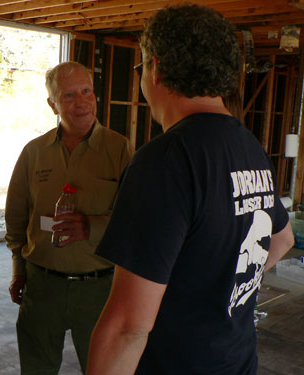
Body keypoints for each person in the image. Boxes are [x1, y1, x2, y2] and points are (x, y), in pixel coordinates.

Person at [87, 4, 295, 375]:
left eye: (141, 66)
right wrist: (231, 284)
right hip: (236, 359)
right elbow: (282, 239)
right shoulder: (249, 147)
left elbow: (127, 328)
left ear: (156, 68)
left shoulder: (165, 161)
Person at [5, 61, 133, 374]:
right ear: (53, 104)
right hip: (42, 286)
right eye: (69, 96)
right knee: (36, 369)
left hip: (99, 288)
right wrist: (19, 269)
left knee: (104, 368)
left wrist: (93, 225)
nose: (81, 103)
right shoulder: (34, 152)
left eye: (86, 92)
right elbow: (17, 218)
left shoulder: (119, 149)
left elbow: (134, 218)